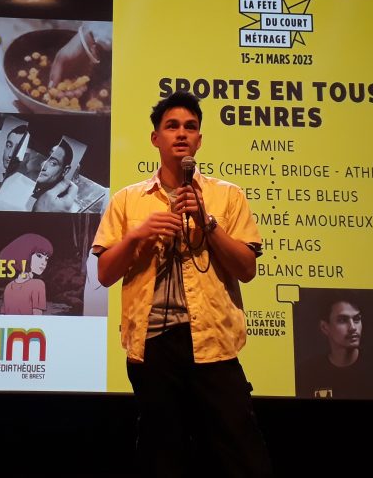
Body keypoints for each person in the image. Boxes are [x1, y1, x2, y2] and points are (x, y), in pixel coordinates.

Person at [92, 91, 272, 476]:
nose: (181, 134)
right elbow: (105, 274)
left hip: (213, 342)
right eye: (172, 126)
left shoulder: (228, 196)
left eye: (190, 127)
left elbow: (246, 269)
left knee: (241, 455)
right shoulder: (128, 200)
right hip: (153, 343)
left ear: (199, 140)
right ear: (155, 138)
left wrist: (208, 223)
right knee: (162, 458)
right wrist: (137, 236)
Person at [295, 297, 373, 399]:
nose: (353, 327)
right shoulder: (306, 374)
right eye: (342, 320)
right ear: (325, 327)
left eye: (357, 319)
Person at [0, 233, 53, 315]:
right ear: (24, 254)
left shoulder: (9, 287)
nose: (44, 263)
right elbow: (37, 318)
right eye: (39, 256)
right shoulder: (37, 284)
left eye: (46, 259)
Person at [31, 139, 79, 212]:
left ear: (65, 170)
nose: (43, 166)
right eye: (44, 157)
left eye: (53, 163)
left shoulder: (62, 206)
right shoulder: (24, 180)